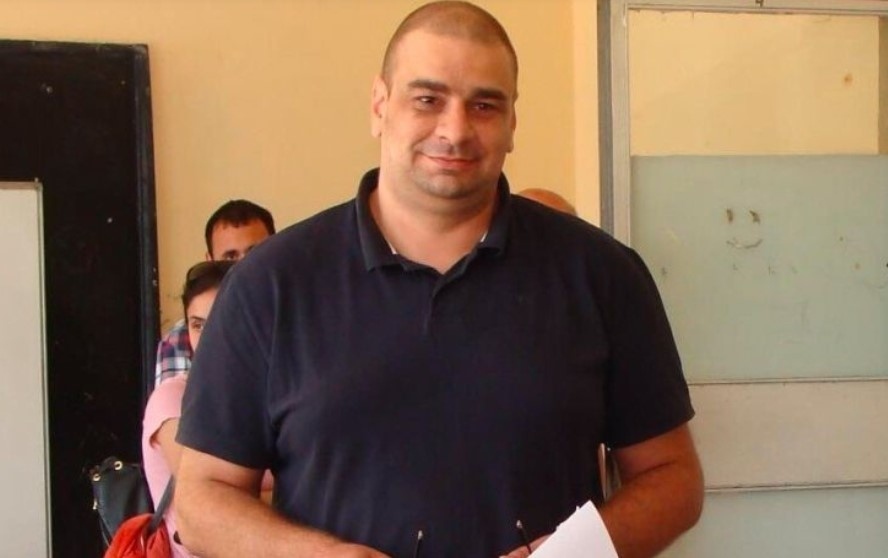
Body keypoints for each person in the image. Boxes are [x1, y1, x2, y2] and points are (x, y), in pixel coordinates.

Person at [175, 3, 703, 558]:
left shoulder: (601, 274)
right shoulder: (270, 285)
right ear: (379, 106)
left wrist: (577, 554)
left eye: (484, 105)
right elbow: (202, 498)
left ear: (512, 123)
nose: (455, 130)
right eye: (428, 100)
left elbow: (673, 478)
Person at [154, 199, 275, 386]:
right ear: (209, 262)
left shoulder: (302, 320)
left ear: (276, 252)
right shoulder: (182, 339)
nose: (244, 267)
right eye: (230, 257)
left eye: (255, 253)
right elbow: (178, 402)